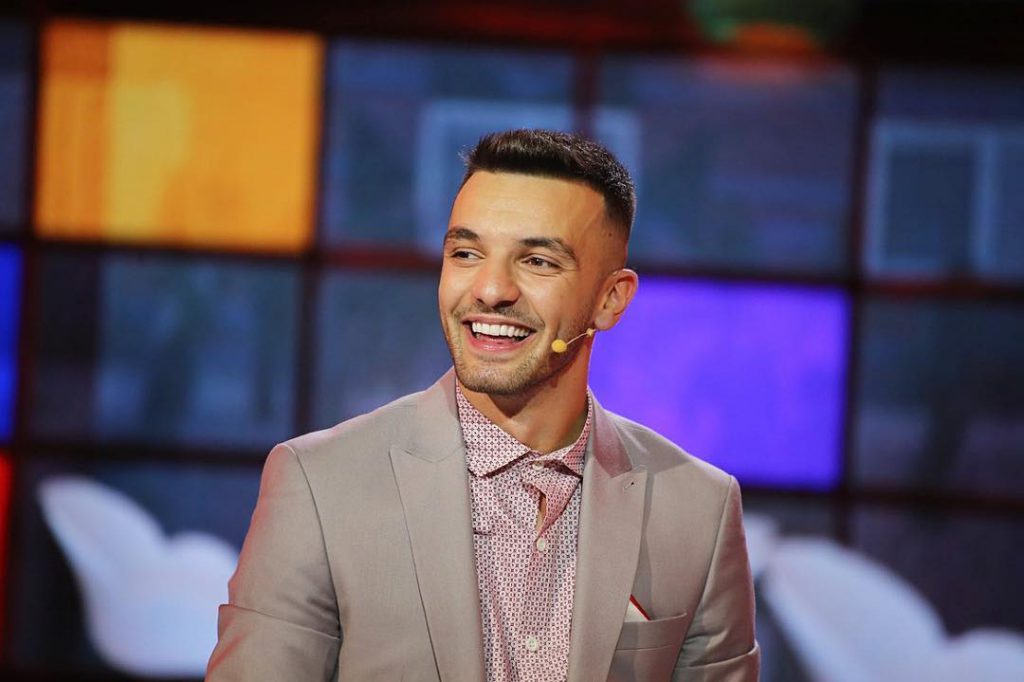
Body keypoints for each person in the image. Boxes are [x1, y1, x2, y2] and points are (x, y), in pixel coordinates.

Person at [206, 129, 759, 681]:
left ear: (611, 299)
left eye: (538, 261)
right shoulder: (322, 484)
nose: (491, 290)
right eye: (466, 254)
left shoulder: (699, 510)